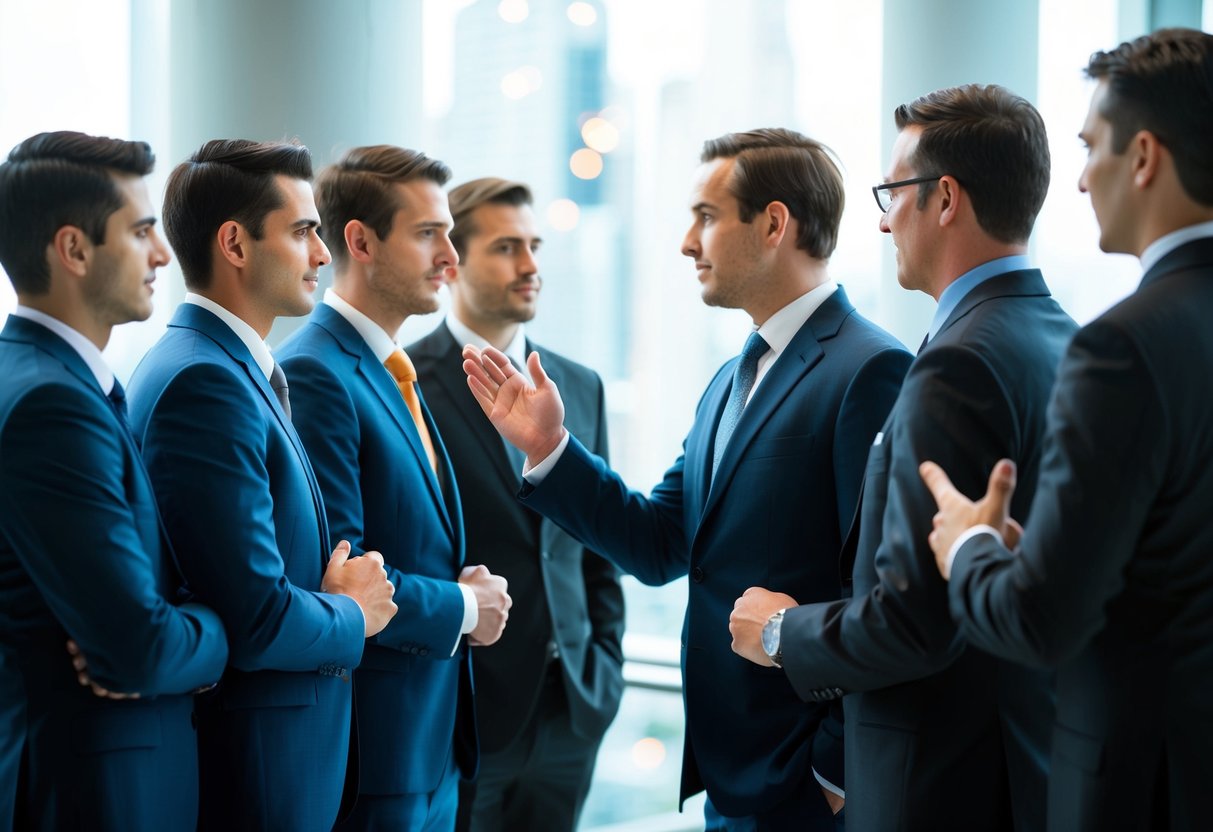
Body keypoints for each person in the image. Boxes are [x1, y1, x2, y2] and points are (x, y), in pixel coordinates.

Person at [464, 128, 911, 830]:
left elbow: (887, 597)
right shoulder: (732, 378)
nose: (685, 242)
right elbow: (659, 543)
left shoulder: (870, 369)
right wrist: (549, 447)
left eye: (705, 217)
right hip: (729, 779)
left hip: (803, 787)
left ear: (772, 224)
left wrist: (834, 772)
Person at [729, 85, 1074, 831]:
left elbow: (917, 622)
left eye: (893, 193)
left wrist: (780, 634)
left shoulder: (959, 365)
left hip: (941, 785)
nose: (883, 220)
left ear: (943, 199)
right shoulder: (1065, 340)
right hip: (1029, 768)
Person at [921, 28, 1213, 832]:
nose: (1080, 180)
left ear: (1144, 156)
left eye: (1091, 148)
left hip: (1144, 788)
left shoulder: (1121, 347)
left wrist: (967, 547)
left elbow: (1040, 622)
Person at [126, 139, 398, 832]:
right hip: (257, 771)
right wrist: (353, 613)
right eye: (303, 231)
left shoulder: (231, 369)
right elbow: (253, 618)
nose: (322, 254)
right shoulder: (204, 381)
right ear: (235, 245)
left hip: (284, 759)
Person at [276, 146, 511, 831]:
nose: (450, 256)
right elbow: (346, 576)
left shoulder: (386, 368)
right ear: (361, 241)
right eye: (428, 234)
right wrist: (466, 607)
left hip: (427, 754)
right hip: (373, 762)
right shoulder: (318, 373)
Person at [0, 131, 229, 829]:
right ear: (72, 250)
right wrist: (224, 622)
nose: (163, 254)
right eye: (139, 231)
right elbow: (140, 649)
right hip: (95, 792)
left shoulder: (44, 379)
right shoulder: (53, 405)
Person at [408, 178, 625, 832]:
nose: (530, 265)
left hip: (574, 709)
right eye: (506, 248)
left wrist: (605, 670)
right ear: (451, 263)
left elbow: (597, 544)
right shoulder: (408, 382)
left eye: (532, 245)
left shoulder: (578, 384)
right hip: (467, 710)